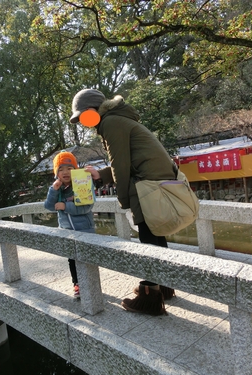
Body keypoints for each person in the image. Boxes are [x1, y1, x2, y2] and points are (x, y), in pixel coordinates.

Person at [70, 88, 177, 316]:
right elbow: (125, 161)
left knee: (148, 237)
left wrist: (125, 202)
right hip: (156, 179)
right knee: (156, 232)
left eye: (82, 117)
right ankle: (163, 286)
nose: (83, 123)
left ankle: (150, 299)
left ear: (92, 111)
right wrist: (102, 175)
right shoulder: (118, 118)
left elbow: (121, 166)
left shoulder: (110, 123)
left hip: (146, 182)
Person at [43, 151, 96, 298]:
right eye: (61, 169)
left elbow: (87, 207)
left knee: (87, 258)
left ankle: (91, 284)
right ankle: (77, 284)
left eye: (69, 168)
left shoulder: (82, 183)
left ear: (75, 169)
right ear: (56, 172)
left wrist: (66, 206)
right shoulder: (57, 188)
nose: (65, 172)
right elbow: (48, 206)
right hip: (67, 231)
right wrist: (53, 190)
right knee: (72, 259)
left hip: (84, 229)